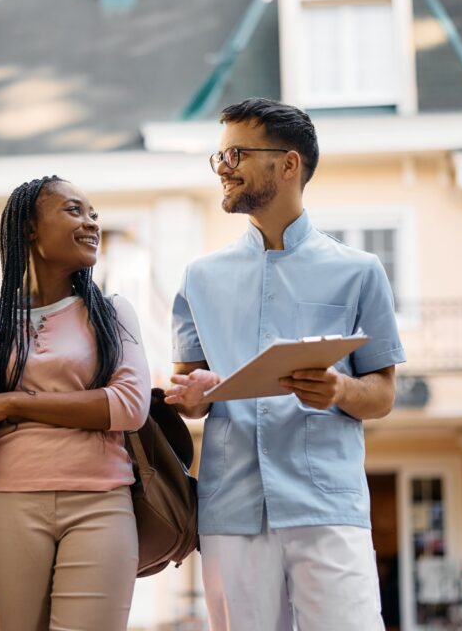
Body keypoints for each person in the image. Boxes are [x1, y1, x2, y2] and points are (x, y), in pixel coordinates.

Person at [166, 97, 405, 630]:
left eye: (237, 153)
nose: (223, 167)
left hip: (327, 506)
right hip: (231, 508)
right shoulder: (198, 278)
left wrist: (338, 391)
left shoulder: (360, 272)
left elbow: (383, 394)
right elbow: (184, 392)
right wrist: (193, 395)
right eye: (219, 156)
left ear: (289, 163)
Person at [0, 175, 151, 631]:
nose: (91, 222)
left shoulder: (113, 312)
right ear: (29, 229)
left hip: (101, 503)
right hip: (8, 501)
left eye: (94, 213)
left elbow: (130, 405)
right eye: (74, 210)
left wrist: (11, 405)